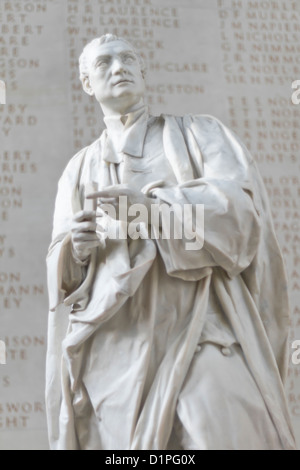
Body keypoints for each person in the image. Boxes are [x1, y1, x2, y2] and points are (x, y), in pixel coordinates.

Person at [46, 34, 296, 450]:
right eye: (105, 63)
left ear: (143, 72)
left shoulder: (201, 134)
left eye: (128, 59)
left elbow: (241, 219)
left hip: (204, 330)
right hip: (116, 351)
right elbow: (62, 275)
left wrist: (151, 210)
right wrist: (78, 249)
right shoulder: (78, 170)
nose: (119, 67)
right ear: (87, 83)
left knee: (227, 433)